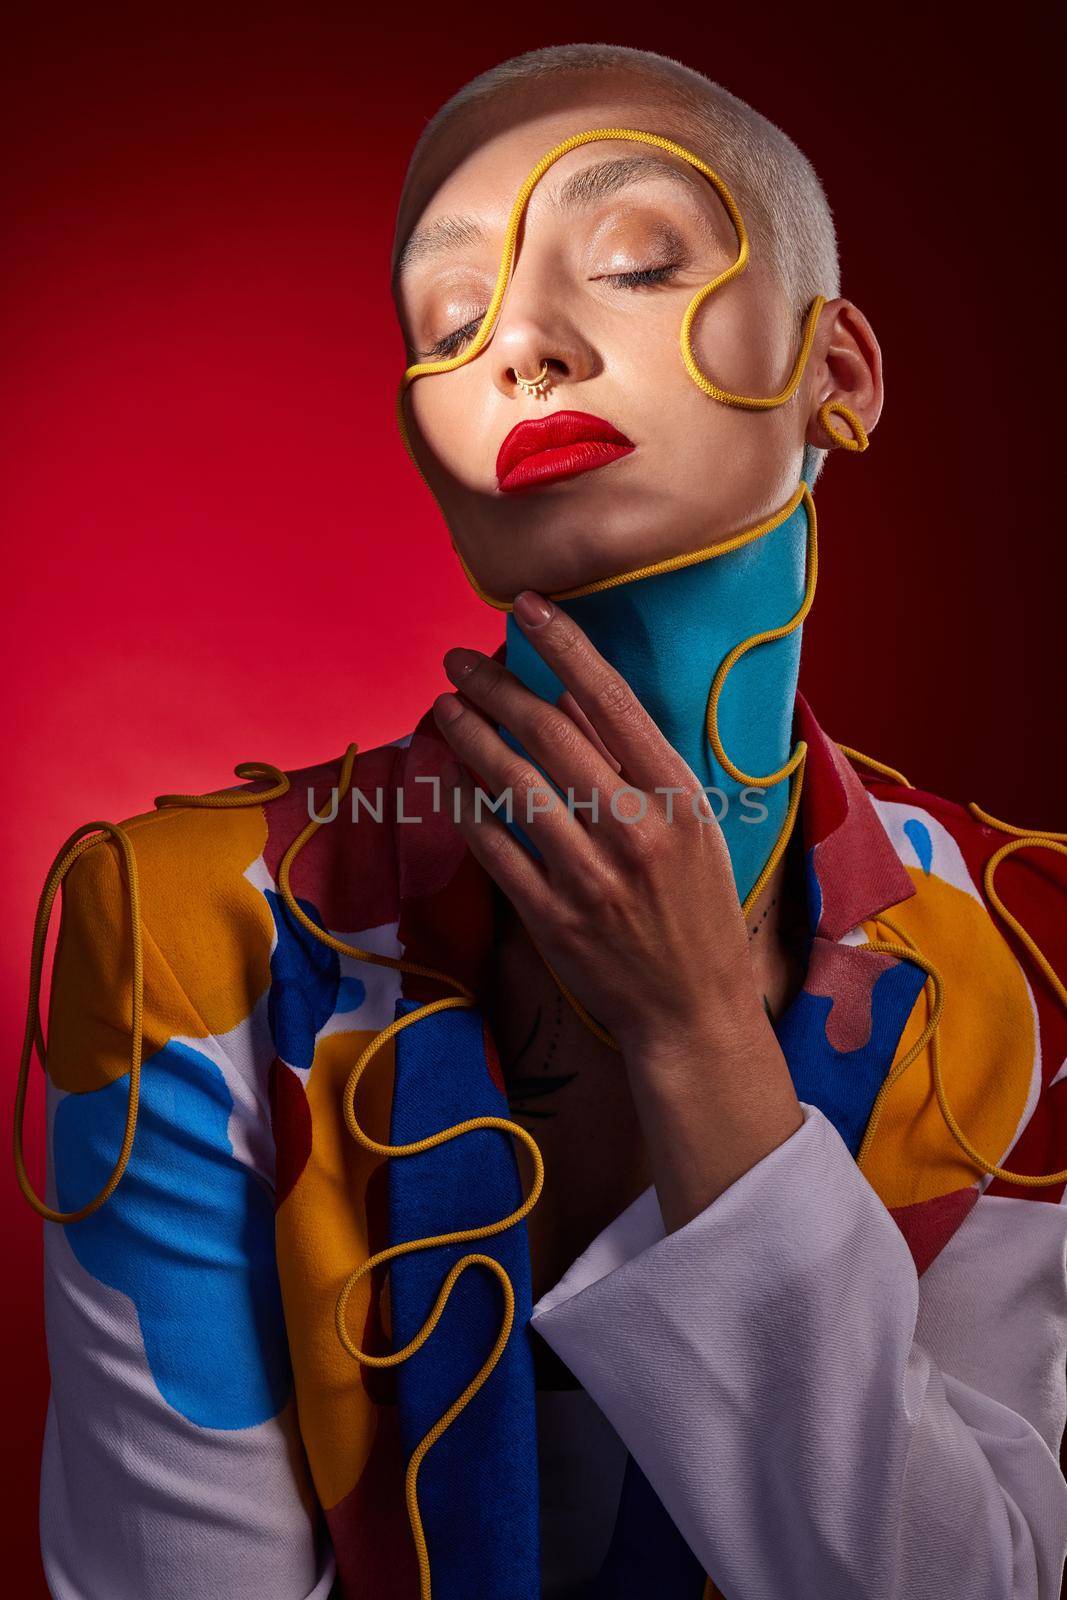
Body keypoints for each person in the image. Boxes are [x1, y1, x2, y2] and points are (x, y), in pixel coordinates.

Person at [15, 40, 1067, 1600]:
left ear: (837, 374)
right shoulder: (182, 936)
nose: (527, 347)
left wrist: (703, 1042)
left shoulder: (1019, 952)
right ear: (432, 457)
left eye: (639, 262)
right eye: (454, 322)